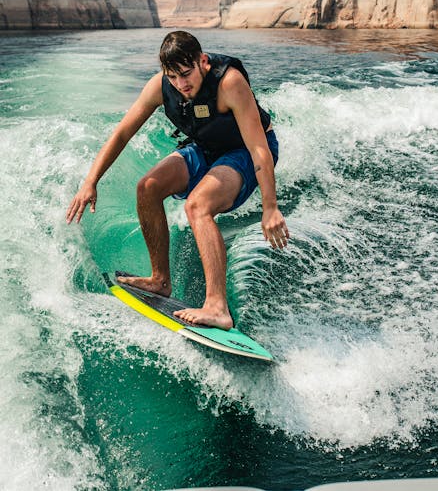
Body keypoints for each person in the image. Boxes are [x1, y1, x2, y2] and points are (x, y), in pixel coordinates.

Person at [66, 30, 289, 330]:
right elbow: (121, 133)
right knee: (147, 187)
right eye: (173, 77)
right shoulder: (161, 86)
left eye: (186, 74)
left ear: (203, 62)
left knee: (198, 206)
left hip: (245, 150)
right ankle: (160, 280)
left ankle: (217, 306)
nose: (181, 84)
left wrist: (270, 207)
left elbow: (258, 147)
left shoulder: (229, 82)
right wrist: (90, 181)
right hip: (206, 146)